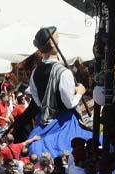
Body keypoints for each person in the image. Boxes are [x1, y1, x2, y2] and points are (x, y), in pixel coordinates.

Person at [25, 27, 91, 158]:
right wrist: (80, 92)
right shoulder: (64, 73)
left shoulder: (35, 73)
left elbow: (38, 100)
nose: (59, 41)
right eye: (57, 39)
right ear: (51, 43)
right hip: (64, 123)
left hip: (43, 122)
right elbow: (69, 103)